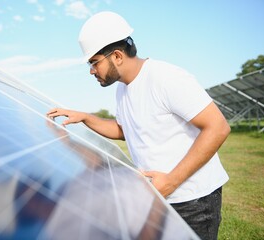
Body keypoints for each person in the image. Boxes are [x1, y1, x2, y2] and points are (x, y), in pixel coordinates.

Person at [47, 11, 230, 240]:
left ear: (117, 56)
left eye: (94, 62)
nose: (91, 71)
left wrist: (171, 182)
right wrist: (85, 117)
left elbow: (218, 127)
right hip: (159, 195)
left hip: (192, 200)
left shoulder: (166, 78)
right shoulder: (122, 89)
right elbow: (124, 130)